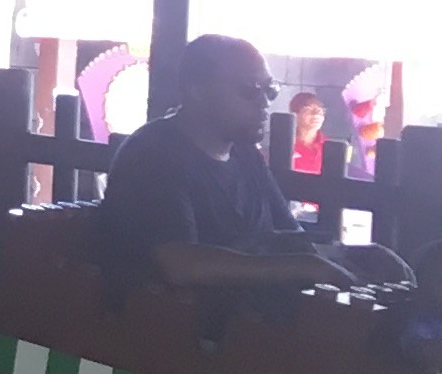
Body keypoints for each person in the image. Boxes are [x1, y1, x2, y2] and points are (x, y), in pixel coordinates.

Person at [99, 35, 403, 293]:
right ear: (198, 91)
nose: (264, 103)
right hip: (168, 330)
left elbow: (290, 237)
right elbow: (180, 263)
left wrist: (350, 255)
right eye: (250, 89)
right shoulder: (153, 156)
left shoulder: (244, 154)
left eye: (270, 90)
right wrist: (303, 266)